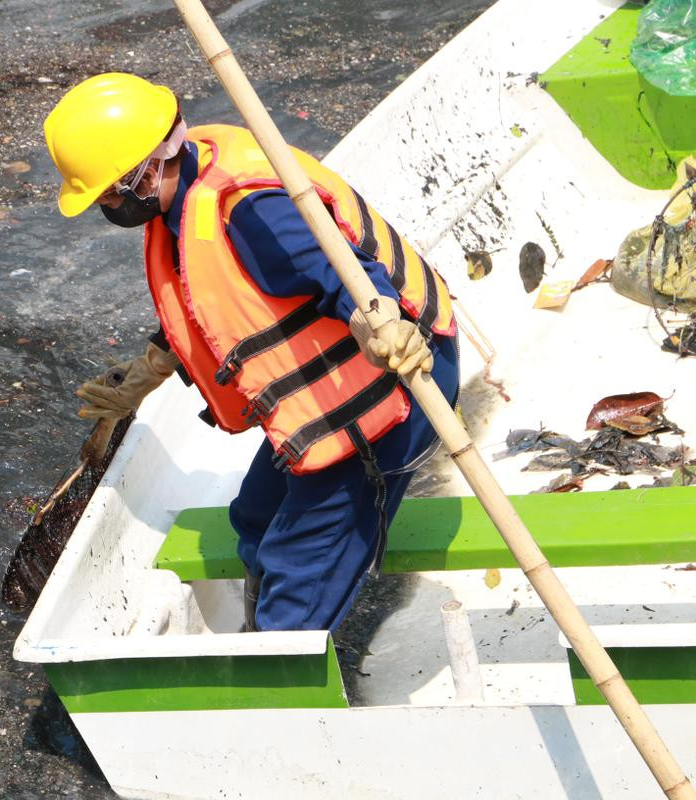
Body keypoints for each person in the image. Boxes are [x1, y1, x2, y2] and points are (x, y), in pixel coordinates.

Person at [44, 73, 460, 633]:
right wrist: (152, 367)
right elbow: (219, 294)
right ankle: (260, 639)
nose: (112, 208)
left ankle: (282, 669)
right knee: (255, 519)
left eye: (114, 193)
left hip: (398, 384)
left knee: (298, 568)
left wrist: (379, 318)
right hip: (334, 385)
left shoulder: (254, 214)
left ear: (148, 167)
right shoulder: (187, 195)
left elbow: (344, 275)